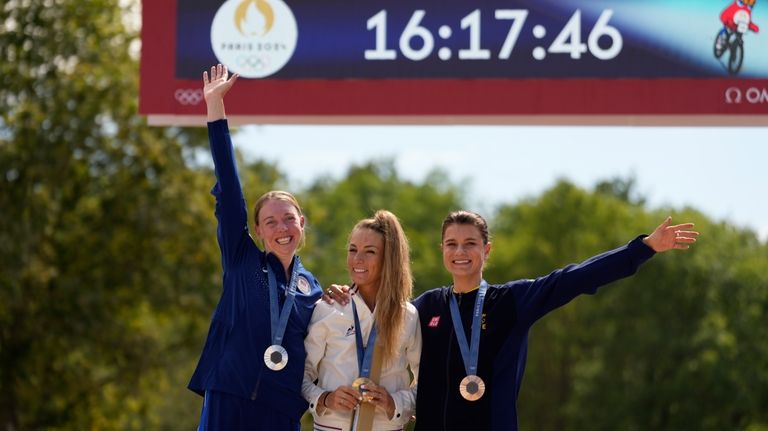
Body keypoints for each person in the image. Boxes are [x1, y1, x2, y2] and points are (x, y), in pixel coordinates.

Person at [326, 212, 698, 431]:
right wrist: (346, 291)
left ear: (486, 250)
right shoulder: (425, 308)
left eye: (470, 243)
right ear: (442, 250)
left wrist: (643, 248)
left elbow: (576, 278)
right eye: (452, 244)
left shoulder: (513, 300)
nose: (460, 252)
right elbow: (373, 316)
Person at [188, 64, 323, 430]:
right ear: (258, 231)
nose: (282, 228)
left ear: (302, 224)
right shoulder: (242, 258)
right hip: (229, 394)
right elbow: (229, 187)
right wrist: (215, 107)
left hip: (280, 409)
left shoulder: (315, 290)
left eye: (289, 219)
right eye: (270, 222)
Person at [302, 210, 421, 431]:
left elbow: (426, 381)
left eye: (370, 251)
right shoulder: (328, 308)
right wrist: (325, 399)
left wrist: (394, 403)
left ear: (388, 258)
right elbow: (302, 374)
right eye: (353, 250)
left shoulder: (409, 315)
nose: (358, 259)